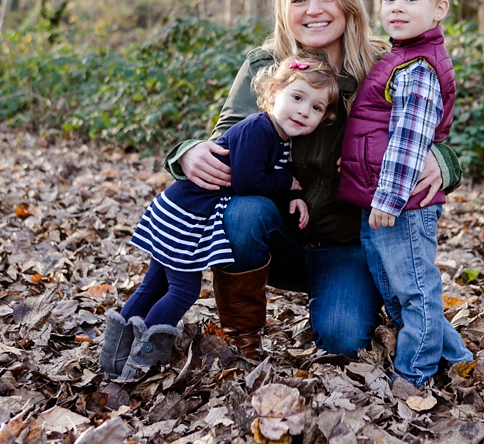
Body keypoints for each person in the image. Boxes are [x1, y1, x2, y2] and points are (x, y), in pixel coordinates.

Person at [161, 0, 463, 360]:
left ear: (348, 2)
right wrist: (186, 153)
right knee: (242, 212)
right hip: (278, 234)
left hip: (349, 242)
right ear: (285, 9)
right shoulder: (264, 66)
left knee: (342, 340)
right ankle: (243, 338)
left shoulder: (385, 64)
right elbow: (224, 143)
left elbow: (431, 125)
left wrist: (442, 161)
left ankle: (365, 302)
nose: (314, 10)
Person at [99, 53, 340, 380]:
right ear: (272, 94)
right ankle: (142, 359)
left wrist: (294, 193)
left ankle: (113, 356)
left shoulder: (280, 136)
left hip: (181, 210)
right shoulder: (259, 129)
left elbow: (278, 171)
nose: (304, 111)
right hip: (187, 216)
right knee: (182, 291)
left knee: (154, 284)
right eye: (297, 98)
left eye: (316, 108)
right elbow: (248, 181)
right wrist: (287, 182)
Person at [338, 0, 474, 387]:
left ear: (439, 9)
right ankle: (458, 360)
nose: (396, 7)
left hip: (401, 205)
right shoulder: (398, 57)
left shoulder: (418, 67)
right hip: (381, 200)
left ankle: (414, 376)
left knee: (415, 292)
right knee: (398, 291)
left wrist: (389, 198)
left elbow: (409, 141)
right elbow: (375, 127)